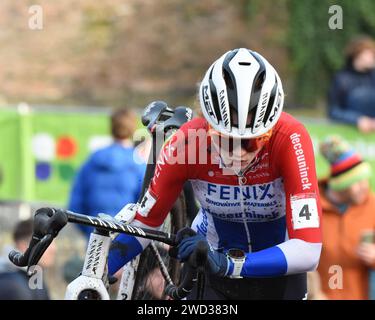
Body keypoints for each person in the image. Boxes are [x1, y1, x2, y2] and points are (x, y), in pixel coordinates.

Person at [107, 48, 323, 300]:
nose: (240, 151)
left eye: (253, 140)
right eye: (226, 139)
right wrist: (97, 271)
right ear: (207, 125)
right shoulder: (187, 143)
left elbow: (308, 250)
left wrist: (232, 264)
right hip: (210, 268)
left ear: (270, 130)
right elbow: (145, 223)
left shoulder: (290, 138)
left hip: (278, 274)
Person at [68, 108, 146, 239]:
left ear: (111, 127)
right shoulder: (139, 165)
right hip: (126, 239)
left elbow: (75, 204)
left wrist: (89, 231)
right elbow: (145, 207)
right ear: (133, 129)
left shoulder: (92, 160)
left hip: (94, 235)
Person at [315, 135, 375, 300]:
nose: (365, 186)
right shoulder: (311, 205)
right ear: (340, 184)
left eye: (365, 179)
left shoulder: (372, 205)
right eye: (357, 181)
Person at [328, 36, 375, 133]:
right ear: (357, 55)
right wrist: (357, 120)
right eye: (369, 54)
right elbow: (333, 111)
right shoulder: (342, 79)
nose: (372, 57)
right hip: (351, 136)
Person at [0, 219, 56, 300]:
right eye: (47, 242)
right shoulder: (13, 286)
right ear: (24, 246)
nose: (53, 249)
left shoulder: (34, 276)